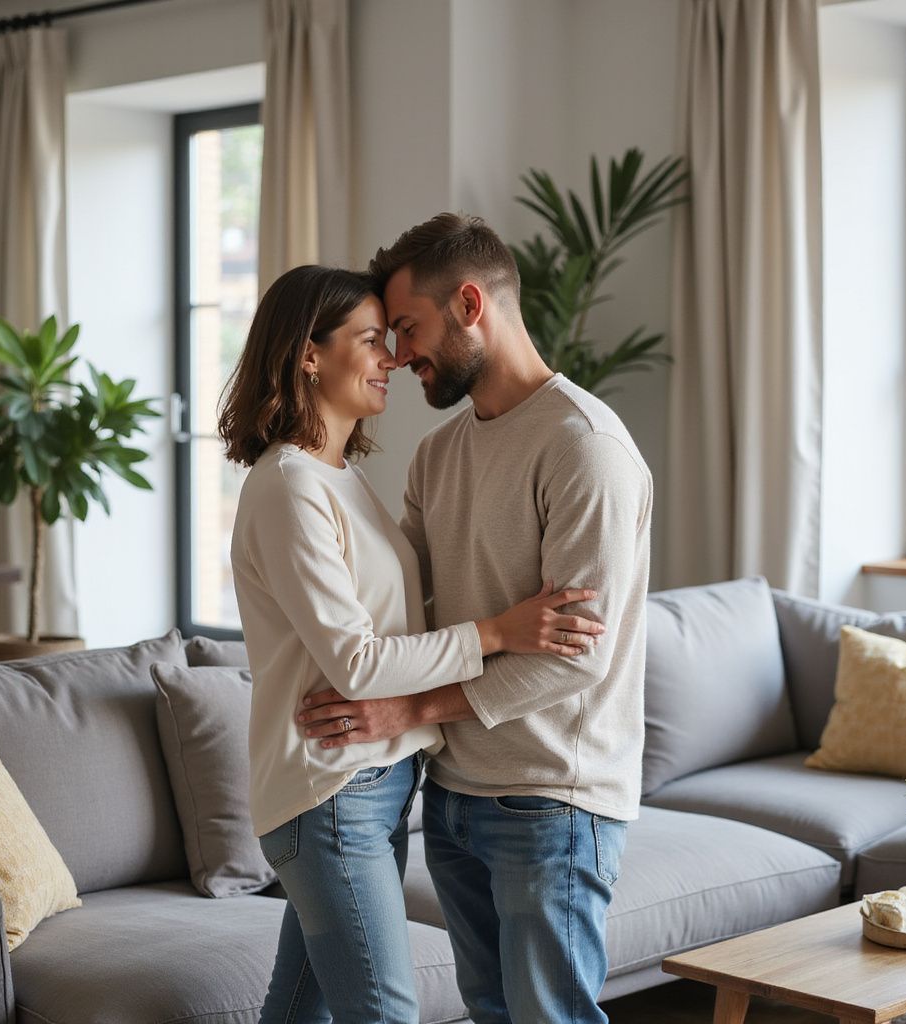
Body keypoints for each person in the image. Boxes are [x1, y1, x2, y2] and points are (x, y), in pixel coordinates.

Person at [218, 264, 604, 1024]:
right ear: (308, 355)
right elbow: (357, 663)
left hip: (370, 790)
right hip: (332, 793)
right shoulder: (290, 485)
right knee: (384, 1012)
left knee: (298, 1010)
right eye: (370, 339)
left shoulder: (337, 477)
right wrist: (497, 631)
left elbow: (396, 625)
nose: (391, 357)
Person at [298, 215, 653, 1024]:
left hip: (551, 799)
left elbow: (571, 659)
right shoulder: (439, 454)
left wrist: (409, 709)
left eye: (408, 329)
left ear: (468, 304)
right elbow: (405, 610)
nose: (397, 355)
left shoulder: (584, 446)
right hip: (455, 793)